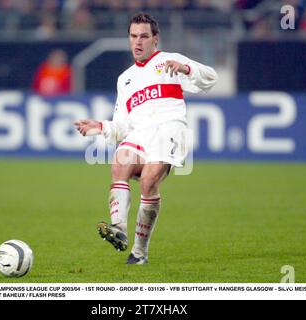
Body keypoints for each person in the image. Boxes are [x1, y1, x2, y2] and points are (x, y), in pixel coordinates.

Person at [75, 12, 218, 264]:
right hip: (141, 132)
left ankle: (139, 253)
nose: (137, 42)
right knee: (120, 161)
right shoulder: (125, 79)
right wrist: (100, 125)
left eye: (143, 36)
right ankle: (118, 227)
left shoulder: (168, 60)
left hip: (170, 128)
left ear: (155, 40)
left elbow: (210, 79)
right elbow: (122, 124)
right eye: (133, 36)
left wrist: (185, 68)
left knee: (149, 181)